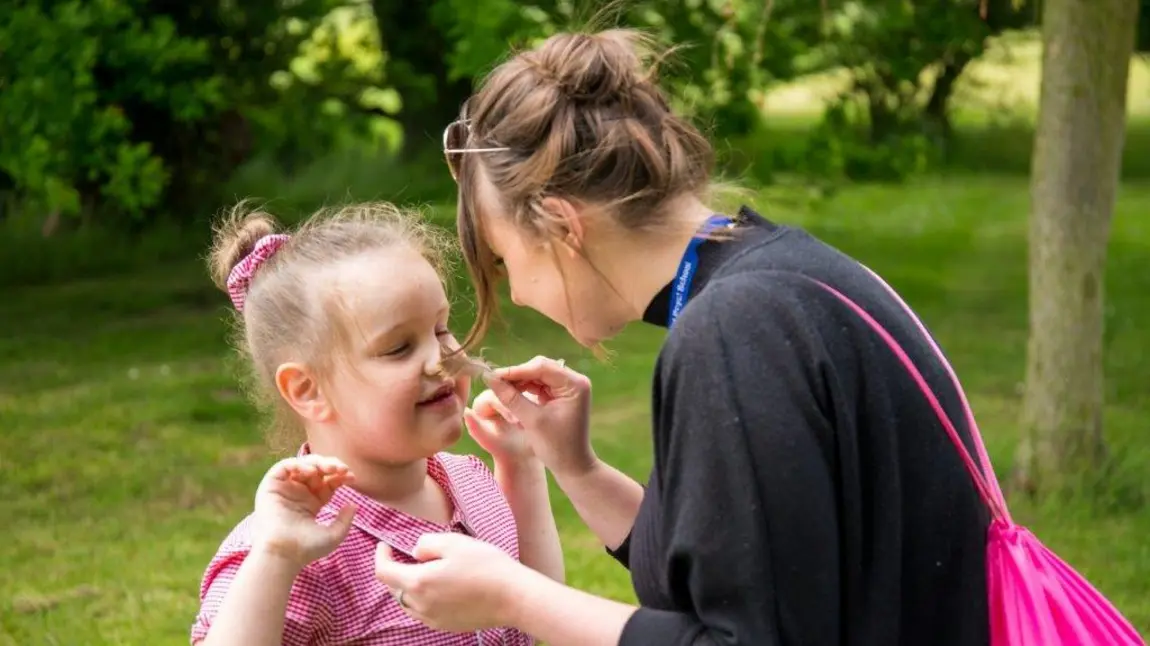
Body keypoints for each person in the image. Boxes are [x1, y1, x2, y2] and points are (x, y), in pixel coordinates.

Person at [371, 28, 992, 646]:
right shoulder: (781, 275)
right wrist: (577, 468)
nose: (521, 295)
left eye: (506, 262)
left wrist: (514, 595)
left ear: (562, 226)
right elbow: (748, 572)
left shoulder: (735, 335)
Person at [190, 202, 563, 645]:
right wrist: (275, 557)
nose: (439, 358)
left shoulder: (473, 483)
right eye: (398, 347)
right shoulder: (294, 548)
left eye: (441, 329)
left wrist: (521, 465)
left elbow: (542, 613)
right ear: (309, 390)